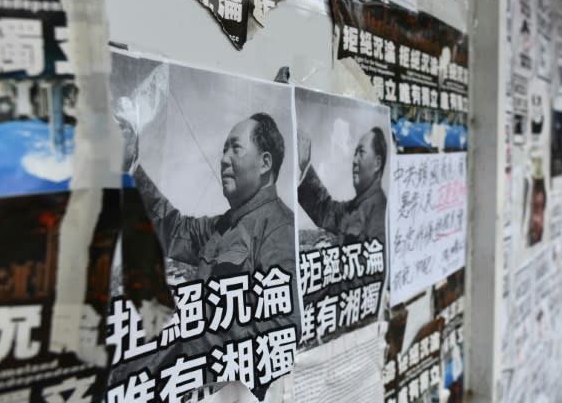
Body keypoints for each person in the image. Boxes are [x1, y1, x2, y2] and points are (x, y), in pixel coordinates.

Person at [122, 112, 300, 359]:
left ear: (265, 163)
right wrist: (130, 165)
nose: (224, 159)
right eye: (224, 149)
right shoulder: (223, 225)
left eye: (235, 149)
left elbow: (283, 329)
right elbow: (173, 230)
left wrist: (195, 323)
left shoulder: (279, 229)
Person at [297, 127, 387, 247]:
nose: (354, 160)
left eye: (361, 152)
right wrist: (305, 165)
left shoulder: (380, 213)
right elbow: (325, 210)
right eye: (355, 153)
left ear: (377, 163)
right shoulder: (356, 207)